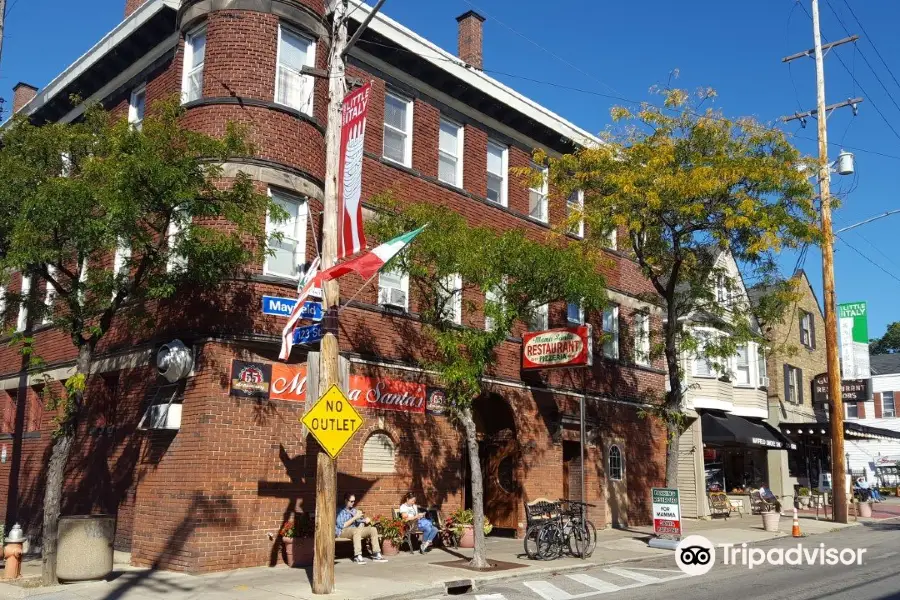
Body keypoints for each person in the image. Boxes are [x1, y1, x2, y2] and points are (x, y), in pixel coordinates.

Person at [336, 493, 388, 564]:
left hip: (355, 530)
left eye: (354, 501)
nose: (353, 503)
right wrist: (355, 517)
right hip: (343, 531)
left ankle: (376, 554)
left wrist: (365, 520)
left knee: (372, 529)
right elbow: (342, 525)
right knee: (356, 531)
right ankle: (358, 556)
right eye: (351, 501)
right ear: (346, 500)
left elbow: (358, 521)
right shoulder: (339, 511)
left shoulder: (353, 510)